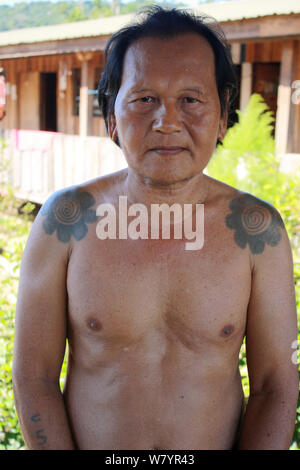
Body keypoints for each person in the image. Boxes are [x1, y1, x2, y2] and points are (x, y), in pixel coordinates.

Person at [12, 6, 298, 450]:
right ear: (111, 117)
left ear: (222, 116)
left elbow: (274, 385)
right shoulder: (64, 223)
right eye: (144, 99)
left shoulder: (257, 234)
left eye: (191, 99)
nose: (166, 122)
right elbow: (35, 378)